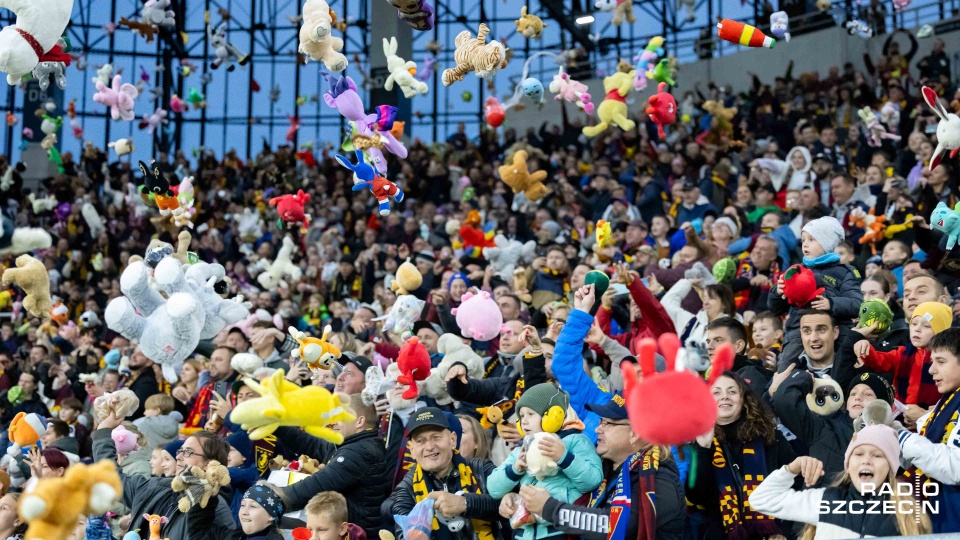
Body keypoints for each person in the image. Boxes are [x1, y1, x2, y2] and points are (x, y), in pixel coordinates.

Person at [517, 394, 686, 540]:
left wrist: (550, 509)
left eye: (607, 423)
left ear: (634, 434)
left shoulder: (660, 482)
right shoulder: (600, 467)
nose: (598, 429)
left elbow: (613, 525)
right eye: (600, 422)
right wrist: (517, 502)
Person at [749, 425, 932, 538]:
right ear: (849, 465)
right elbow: (761, 500)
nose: (866, 460)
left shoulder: (907, 514)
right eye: (858, 454)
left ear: (890, 468)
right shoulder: (826, 500)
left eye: (877, 455)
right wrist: (792, 469)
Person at [687, 371, 796, 540]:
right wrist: (703, 448)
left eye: (732, 391)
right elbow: (697, 496)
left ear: (744, 399)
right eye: (716, 392)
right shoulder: (697, 443)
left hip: (772, 533)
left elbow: (797, 485)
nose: (724, 397)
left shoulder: (771, 438)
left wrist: (784, 531)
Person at [93, 411, 236, 539]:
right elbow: (111, 477)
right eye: (180, 451)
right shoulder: (154, 487)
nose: (179, 457)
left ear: (210, 464)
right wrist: (103, 431)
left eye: (188, 452)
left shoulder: (214, 507)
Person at [487, 383, 603, 540]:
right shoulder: (520, 450)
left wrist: (563, 457)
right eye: (521, 416)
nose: (524, 421)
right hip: (523, 535)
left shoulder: (575, 441)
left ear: (553, 415)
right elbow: (493, 488)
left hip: (559, 531)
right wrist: (515, 470)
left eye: (530, 414)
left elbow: (592, 481)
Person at [278, 394, 387, 538]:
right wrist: (276, 426)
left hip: (355, 535)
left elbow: (316, 485)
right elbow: (311, 443)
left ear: (359, 421)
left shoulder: (361, 452)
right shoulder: (347, 444)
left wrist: (272, 499)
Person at [391, 407, 504, 540]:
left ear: (452, 440)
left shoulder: (481, 468)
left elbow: (510, 506)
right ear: (413, 450)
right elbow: (401, 530)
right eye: (420, 441)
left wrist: (465, 503)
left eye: (436, 437)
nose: (429, 447)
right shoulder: (406, 489)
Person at [770, 365, 895, 482]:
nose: (858, 397)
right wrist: (806, 378)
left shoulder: (895, 439)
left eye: (868, 394)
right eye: (853, 393)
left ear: (883, 406)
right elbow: (783, 401)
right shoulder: (823, 427)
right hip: (820, 501)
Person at [771, 217, 862, 367]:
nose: (805, 244)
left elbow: (857, 304)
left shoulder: (844, 272)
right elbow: (775, 309)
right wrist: (777, 292)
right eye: (804, 239)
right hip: (798, 332)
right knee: (786, 369)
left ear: (827, 243)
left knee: (848, 365)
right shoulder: (794, 271)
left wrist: (831, 303)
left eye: (812, 239)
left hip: (836, 331)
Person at [896, 328, 960, 533]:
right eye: (932, 362)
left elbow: (955, 466)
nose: (931, 370)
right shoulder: (948, 399)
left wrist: (903, 438)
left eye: (941, 362)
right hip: (940, 516)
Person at [852, 301, 951, 426]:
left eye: (926, 326)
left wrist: (926, 415)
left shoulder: (948, 361)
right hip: (900, 420)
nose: (917, 329)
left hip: (931, 423)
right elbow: (879, 360)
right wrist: (866, 347)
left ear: (941, 332)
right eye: (914, 324)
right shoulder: (902, 353)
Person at [189, 483, 286, 540]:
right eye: (243, 505)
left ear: (271, 515)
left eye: (253, 506)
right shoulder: (235, 536)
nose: (244, 512)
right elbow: (200, 533)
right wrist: (208, 497)